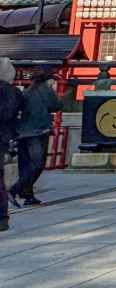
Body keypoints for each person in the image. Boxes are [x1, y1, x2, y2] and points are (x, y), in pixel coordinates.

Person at [12, 69, 61, 207]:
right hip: (38, 132)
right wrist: (56, 94)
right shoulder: (47, 91)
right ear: (48, 80)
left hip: (22, 133)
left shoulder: (26, 91)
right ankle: (15, 189)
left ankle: (28, 195)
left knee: (25, 165)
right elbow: (56, 106)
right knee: (37, 165)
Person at [0, 58, 23, 232]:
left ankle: (2, 217)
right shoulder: (15, 92)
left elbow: (5, 114)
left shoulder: (6, 92)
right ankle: (2, 217)